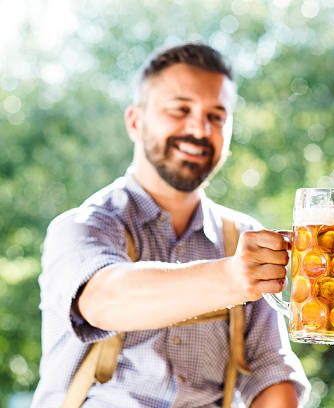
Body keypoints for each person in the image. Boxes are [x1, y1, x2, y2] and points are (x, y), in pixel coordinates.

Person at [32, 43, 309, 408]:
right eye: (180, 110)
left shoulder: (242, 237)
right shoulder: (84, 226)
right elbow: (104, 301)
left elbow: (270, 373)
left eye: (216, 116)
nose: (199, 128)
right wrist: (231, 278)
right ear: (135, 121)